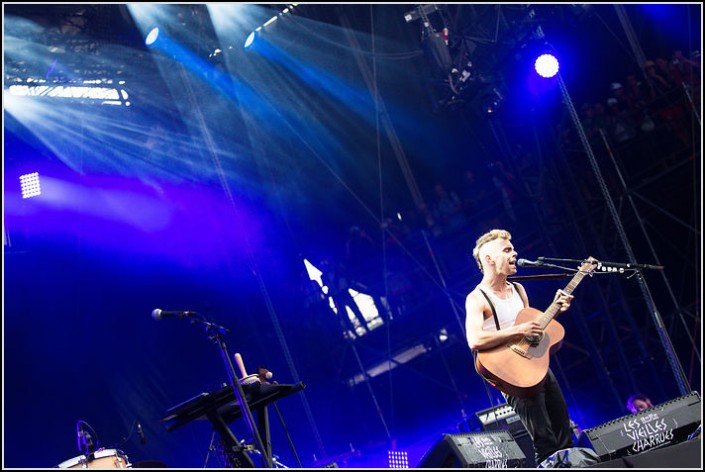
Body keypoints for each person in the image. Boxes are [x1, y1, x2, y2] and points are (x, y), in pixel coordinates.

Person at [465, 229, 576, 466]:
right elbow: (475, 340)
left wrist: (555, 309)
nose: (515, 253)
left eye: (513, 248)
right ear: (489, 259)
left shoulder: (518, 290)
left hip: (536, 366)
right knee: (545, 442)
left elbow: (532, 333)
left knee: (565, 433)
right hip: (512, 376)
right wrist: (519, 331)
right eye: (507, 250)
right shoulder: (477, 298)